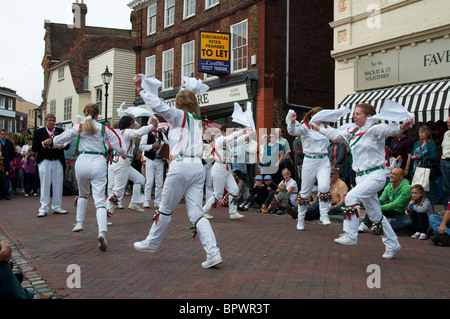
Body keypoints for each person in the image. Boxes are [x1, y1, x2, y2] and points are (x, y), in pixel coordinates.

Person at [133, 75, 222, 268]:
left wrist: (141, 90)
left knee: (165, 208)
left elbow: (157, 106)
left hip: (181, 165)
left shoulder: (180, 115)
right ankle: (213, 253)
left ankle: (152, 242)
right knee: (197, 213)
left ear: (180, 103)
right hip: (197, 166)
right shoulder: (197, 120)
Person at [312, 103, 414, 259]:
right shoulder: (352, 131)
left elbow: (391, 129)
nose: (354, 116)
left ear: (368, 116)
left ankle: (350, 234)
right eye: (355, 113)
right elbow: (337, 134)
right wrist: (319, 128)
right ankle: (392, 244)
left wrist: (402, 126)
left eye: (358, 113)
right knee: (375, 215)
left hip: (375, 175)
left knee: (352, 197)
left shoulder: (374, 130)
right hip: (361, 177)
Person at [46, 103, 126, 251]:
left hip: (82, 161)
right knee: (100, 200)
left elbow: (58, 140)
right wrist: (122, 153)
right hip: (98, 162)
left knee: (82, 193)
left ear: (85, 113)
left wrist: (56, 143)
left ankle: (79, 223)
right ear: (98, 115)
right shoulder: (103, 128)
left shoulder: (80, 127)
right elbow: (118, 145)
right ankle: (102, 231)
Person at [287, 107, 332, 230]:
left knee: (324, 186)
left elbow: (339, 135)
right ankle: (300, 219)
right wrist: (292, 122)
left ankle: (324, 214)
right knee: (305, 192)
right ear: (311, 116)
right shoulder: (305, 127)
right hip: (309, 161)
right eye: (315, 115)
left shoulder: (326, 129)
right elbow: (292, 131)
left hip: (323, 160)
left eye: (320, 116)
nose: (318, 118)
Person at [203, 124, 249, 220]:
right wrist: (242, 131)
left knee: (234, 190)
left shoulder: (227, 141)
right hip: (219, 168)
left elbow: (238, 141)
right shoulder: (220, 140)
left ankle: (233, 212)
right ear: (223, 132)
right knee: (218, 195)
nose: (231, 133)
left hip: (226, 168)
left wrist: (248, 134)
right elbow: (232, 137)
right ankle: (204, 211)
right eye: (229, 131)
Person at [107, 115, 151, 215]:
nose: (134, 125)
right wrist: (150, 125)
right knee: (117, 192)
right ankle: (105, 214)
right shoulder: (126, 132)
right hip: (122, 162)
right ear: (130, 124)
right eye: (133, 123)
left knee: (140, 179)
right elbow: (139, 132)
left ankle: (134, 202)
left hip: (121, 162)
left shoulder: (120, 133)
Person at [32, 114, 68, 217]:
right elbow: (34, 147)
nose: (51, 122)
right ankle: (43, 208)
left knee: (58, 184)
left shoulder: (60, 132)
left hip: (57, 160)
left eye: (53, 120)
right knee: (45, 184)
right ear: (45, 121)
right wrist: (43, 143)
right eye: (49, 120)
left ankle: (57, 207)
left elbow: (67, 144)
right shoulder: (39, 132)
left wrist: (63, 145)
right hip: (45, 160)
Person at [358, 167, 412, 233]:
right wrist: (374, 207)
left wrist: (375, 208)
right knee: (378, 202)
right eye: (391, 173)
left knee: (408, 221)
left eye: (394, 174)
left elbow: (396, 205)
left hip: (401, 213)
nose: (391, 175)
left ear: (401, 177)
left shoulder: (406, 188)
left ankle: (381, 227)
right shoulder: (390, 185)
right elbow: (381, 199)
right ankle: (365, 224)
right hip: (390, 210)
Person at [139, 119, 169, 208]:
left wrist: (164, 150)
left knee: (159, 182)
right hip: (150, 159)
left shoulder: (161, 134)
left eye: (156, 123)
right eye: (153, 123)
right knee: (149, 181)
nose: (155, 124)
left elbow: (167, 143)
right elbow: (141, 146)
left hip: (159, 159)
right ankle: (146, 200)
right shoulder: (146, 134)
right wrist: (152, 146)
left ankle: (157, 201)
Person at [405, 125, 437, 203]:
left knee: (427, 190)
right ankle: (416, 207)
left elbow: (433, 156)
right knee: (415, 190)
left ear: (427, 133)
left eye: (423, 132)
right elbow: (412, 154)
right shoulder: (417, 143)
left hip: (426, 169)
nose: (421, 134)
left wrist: (420, 156)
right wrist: (413, 157)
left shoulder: (431, 143)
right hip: (416, 169)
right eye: (419, 132)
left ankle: (429, 209)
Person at [440, 115, 450, 209]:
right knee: (446, 188)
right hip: (445, 162)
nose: (448, 124)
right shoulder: (446, 134)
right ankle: (446, 209)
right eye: (447, 122)